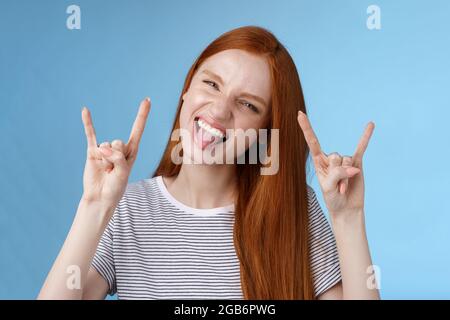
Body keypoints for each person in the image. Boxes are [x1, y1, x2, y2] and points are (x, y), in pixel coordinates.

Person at [38, 26, 379, 300]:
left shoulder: (293, 210)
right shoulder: (129, 209)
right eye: (211, 84)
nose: (218, 110)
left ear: (265, 132)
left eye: (248, 105)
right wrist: (94, 206)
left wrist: (348, 219)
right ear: (187, 88)